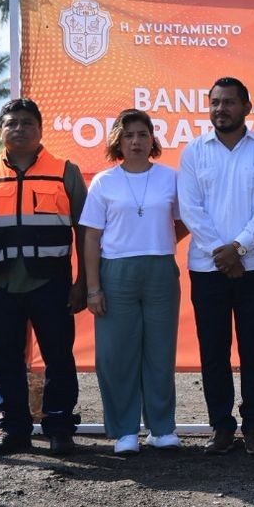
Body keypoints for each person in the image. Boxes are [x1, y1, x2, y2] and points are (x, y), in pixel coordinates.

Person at [0, 98, 87, 457]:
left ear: (41, 130)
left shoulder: (65, 171)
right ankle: (14, 429)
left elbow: (85, 230)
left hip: (51, 281)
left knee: (58, 357)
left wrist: (82, 283)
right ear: (0, 130)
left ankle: (60, 428)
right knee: (4, 359)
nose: (19, 129)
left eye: (27, 122)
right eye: (11, 123)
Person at [176, 77, 254, 456]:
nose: (221, 109)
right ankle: (221, 427)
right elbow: (191, 209)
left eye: (229, 102)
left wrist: (238, 248)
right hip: (208, 268)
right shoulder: (194, 151)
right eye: (215, 102)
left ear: (246, 107)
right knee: (213, 350)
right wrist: (221, 253)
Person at [82, 109, 186, 455]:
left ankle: (162, 428)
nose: (136, 141)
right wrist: (93, 288)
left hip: (160, 271)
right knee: (117, 355)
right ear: (118, 141)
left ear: (152, 139)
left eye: (142, 134)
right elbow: (91, 237)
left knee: (160, 352)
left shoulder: (170, 178)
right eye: (128, 135)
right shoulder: (104, 182)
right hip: (116, 273)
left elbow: (185, 220)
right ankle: (125, 431)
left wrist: (161, 241)